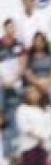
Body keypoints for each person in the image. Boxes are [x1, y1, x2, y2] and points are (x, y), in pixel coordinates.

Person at [16, 85, 51, 165]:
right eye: (30, 93)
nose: (33, 95)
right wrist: (37, 137)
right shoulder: (22, 108)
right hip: (29, 143)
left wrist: (43, 137)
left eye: (36, 92)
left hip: (44, 143)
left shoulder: (47, 109)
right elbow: (23, 126)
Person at [0, 19, 25, 153]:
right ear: (4, 28)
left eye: (13, 27)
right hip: (1, 84)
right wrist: (3, 81)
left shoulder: (19, 45)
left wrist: (13, 80)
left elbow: (23, 64)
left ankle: (13, 145)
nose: (11, 29)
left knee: (14, 113)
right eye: (9, 27)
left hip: (15, 85)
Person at [25, 32, 51, 98]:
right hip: (34, 84)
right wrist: (38, 83)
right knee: (33, 94)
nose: (38, 43)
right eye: (36, 41)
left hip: (48, 83)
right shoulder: (30, 56)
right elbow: (28, 74)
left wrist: (47, 82)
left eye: (40, 41)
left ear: (44, 42)